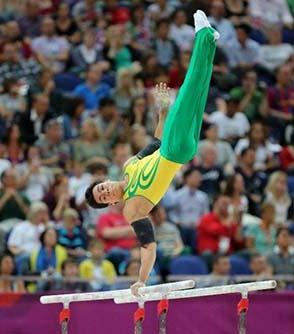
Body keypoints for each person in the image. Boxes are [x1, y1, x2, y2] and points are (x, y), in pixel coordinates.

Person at [84, 11, 218, 296]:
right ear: (110, 204)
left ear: (104, 180)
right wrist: (142, 280)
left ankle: (210, 43)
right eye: (103, 196)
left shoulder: (129, 165)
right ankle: (203, 35)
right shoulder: (132, 208)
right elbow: (148, 246)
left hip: (172, 146)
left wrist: (161, 110)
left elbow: (157, 141)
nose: (105, 191)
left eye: (101, 188)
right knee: (189, 91)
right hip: (177, 151)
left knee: (197, 95)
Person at [169, 168, 209, 246]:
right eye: (196, 176)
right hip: (182, 226)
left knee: (197, 232)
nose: (199, 179)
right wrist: (179, 222)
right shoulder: (177, 195)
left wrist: (199, 223)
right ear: (187, 178)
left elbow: (206, 214)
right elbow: (172, 214)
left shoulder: (203, 196)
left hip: (197, 226)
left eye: (199, 177)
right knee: (184, 231)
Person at [6, 201, 49, 274]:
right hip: (25, 255)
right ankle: (21, 281)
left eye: (45, 214)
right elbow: (12, 246)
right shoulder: (21, 227)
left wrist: (46, 224)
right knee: (24, 258)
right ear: (33, 214)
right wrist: (20, 252)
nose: (43, 216)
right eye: (41, 214)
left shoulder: (45, 228)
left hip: (42, 255)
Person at [151, 205, 184, 269]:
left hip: (171, 255)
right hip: (157, 257)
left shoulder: (172, 227)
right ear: (152, 216)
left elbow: (180, 246)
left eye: (163, 213)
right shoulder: (150, 229)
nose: (161, 216)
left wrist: (173, 254)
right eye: (158, 214)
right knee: (159, 250)